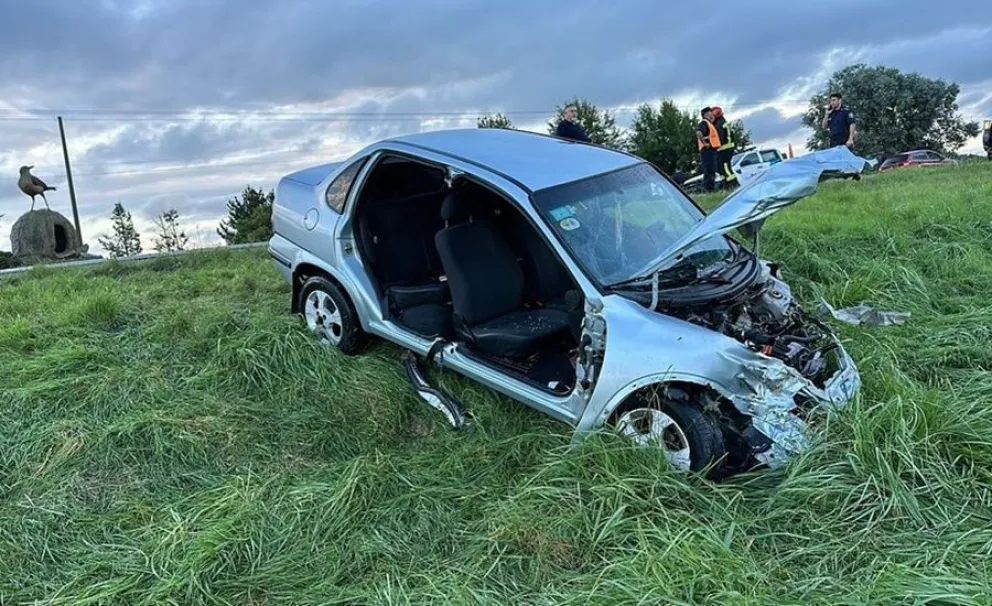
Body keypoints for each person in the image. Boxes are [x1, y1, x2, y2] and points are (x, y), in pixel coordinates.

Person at [711, 106, 739, 189]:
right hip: (726, 149)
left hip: (724, 150)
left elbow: (720, 139)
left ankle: (733, 184)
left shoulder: (719, 125)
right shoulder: (723, 122)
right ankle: (725, 184)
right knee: (720, 169)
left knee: (725, 168)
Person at [696, 107, 720, 192]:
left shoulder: (710, 123)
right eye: (710, 113)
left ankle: (710, 188)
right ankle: (708, 189)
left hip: (711, 149)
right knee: (709, 170)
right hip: (707, 150)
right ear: (706, 114)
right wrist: (704, 143)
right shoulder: (704, 123)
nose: (712, 114)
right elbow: (699, 132)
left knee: (711, 170)